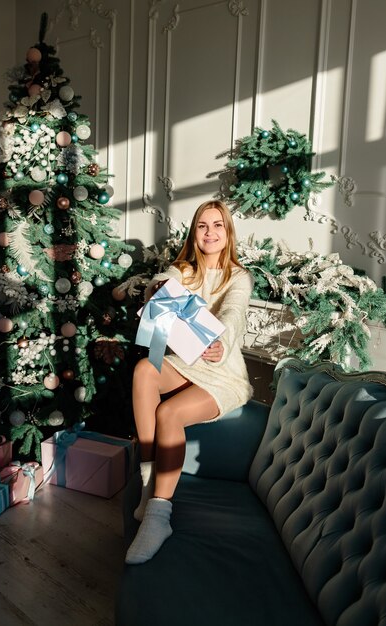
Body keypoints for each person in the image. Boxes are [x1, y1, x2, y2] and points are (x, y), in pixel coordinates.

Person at [125, 199, 254, 565]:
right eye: (202, 226)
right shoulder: (183, 269)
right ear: (194, 233)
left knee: (169, 414)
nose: (210, 232)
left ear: (227, 233)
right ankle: (150, 479)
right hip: (185, 363)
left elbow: (233, 313)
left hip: (222, 372)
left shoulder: (239, 277)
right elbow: (163, 284)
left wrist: (221, 343)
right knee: (144, 369)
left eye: (218, 226)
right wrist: (157, 289)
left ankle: (158, 515)